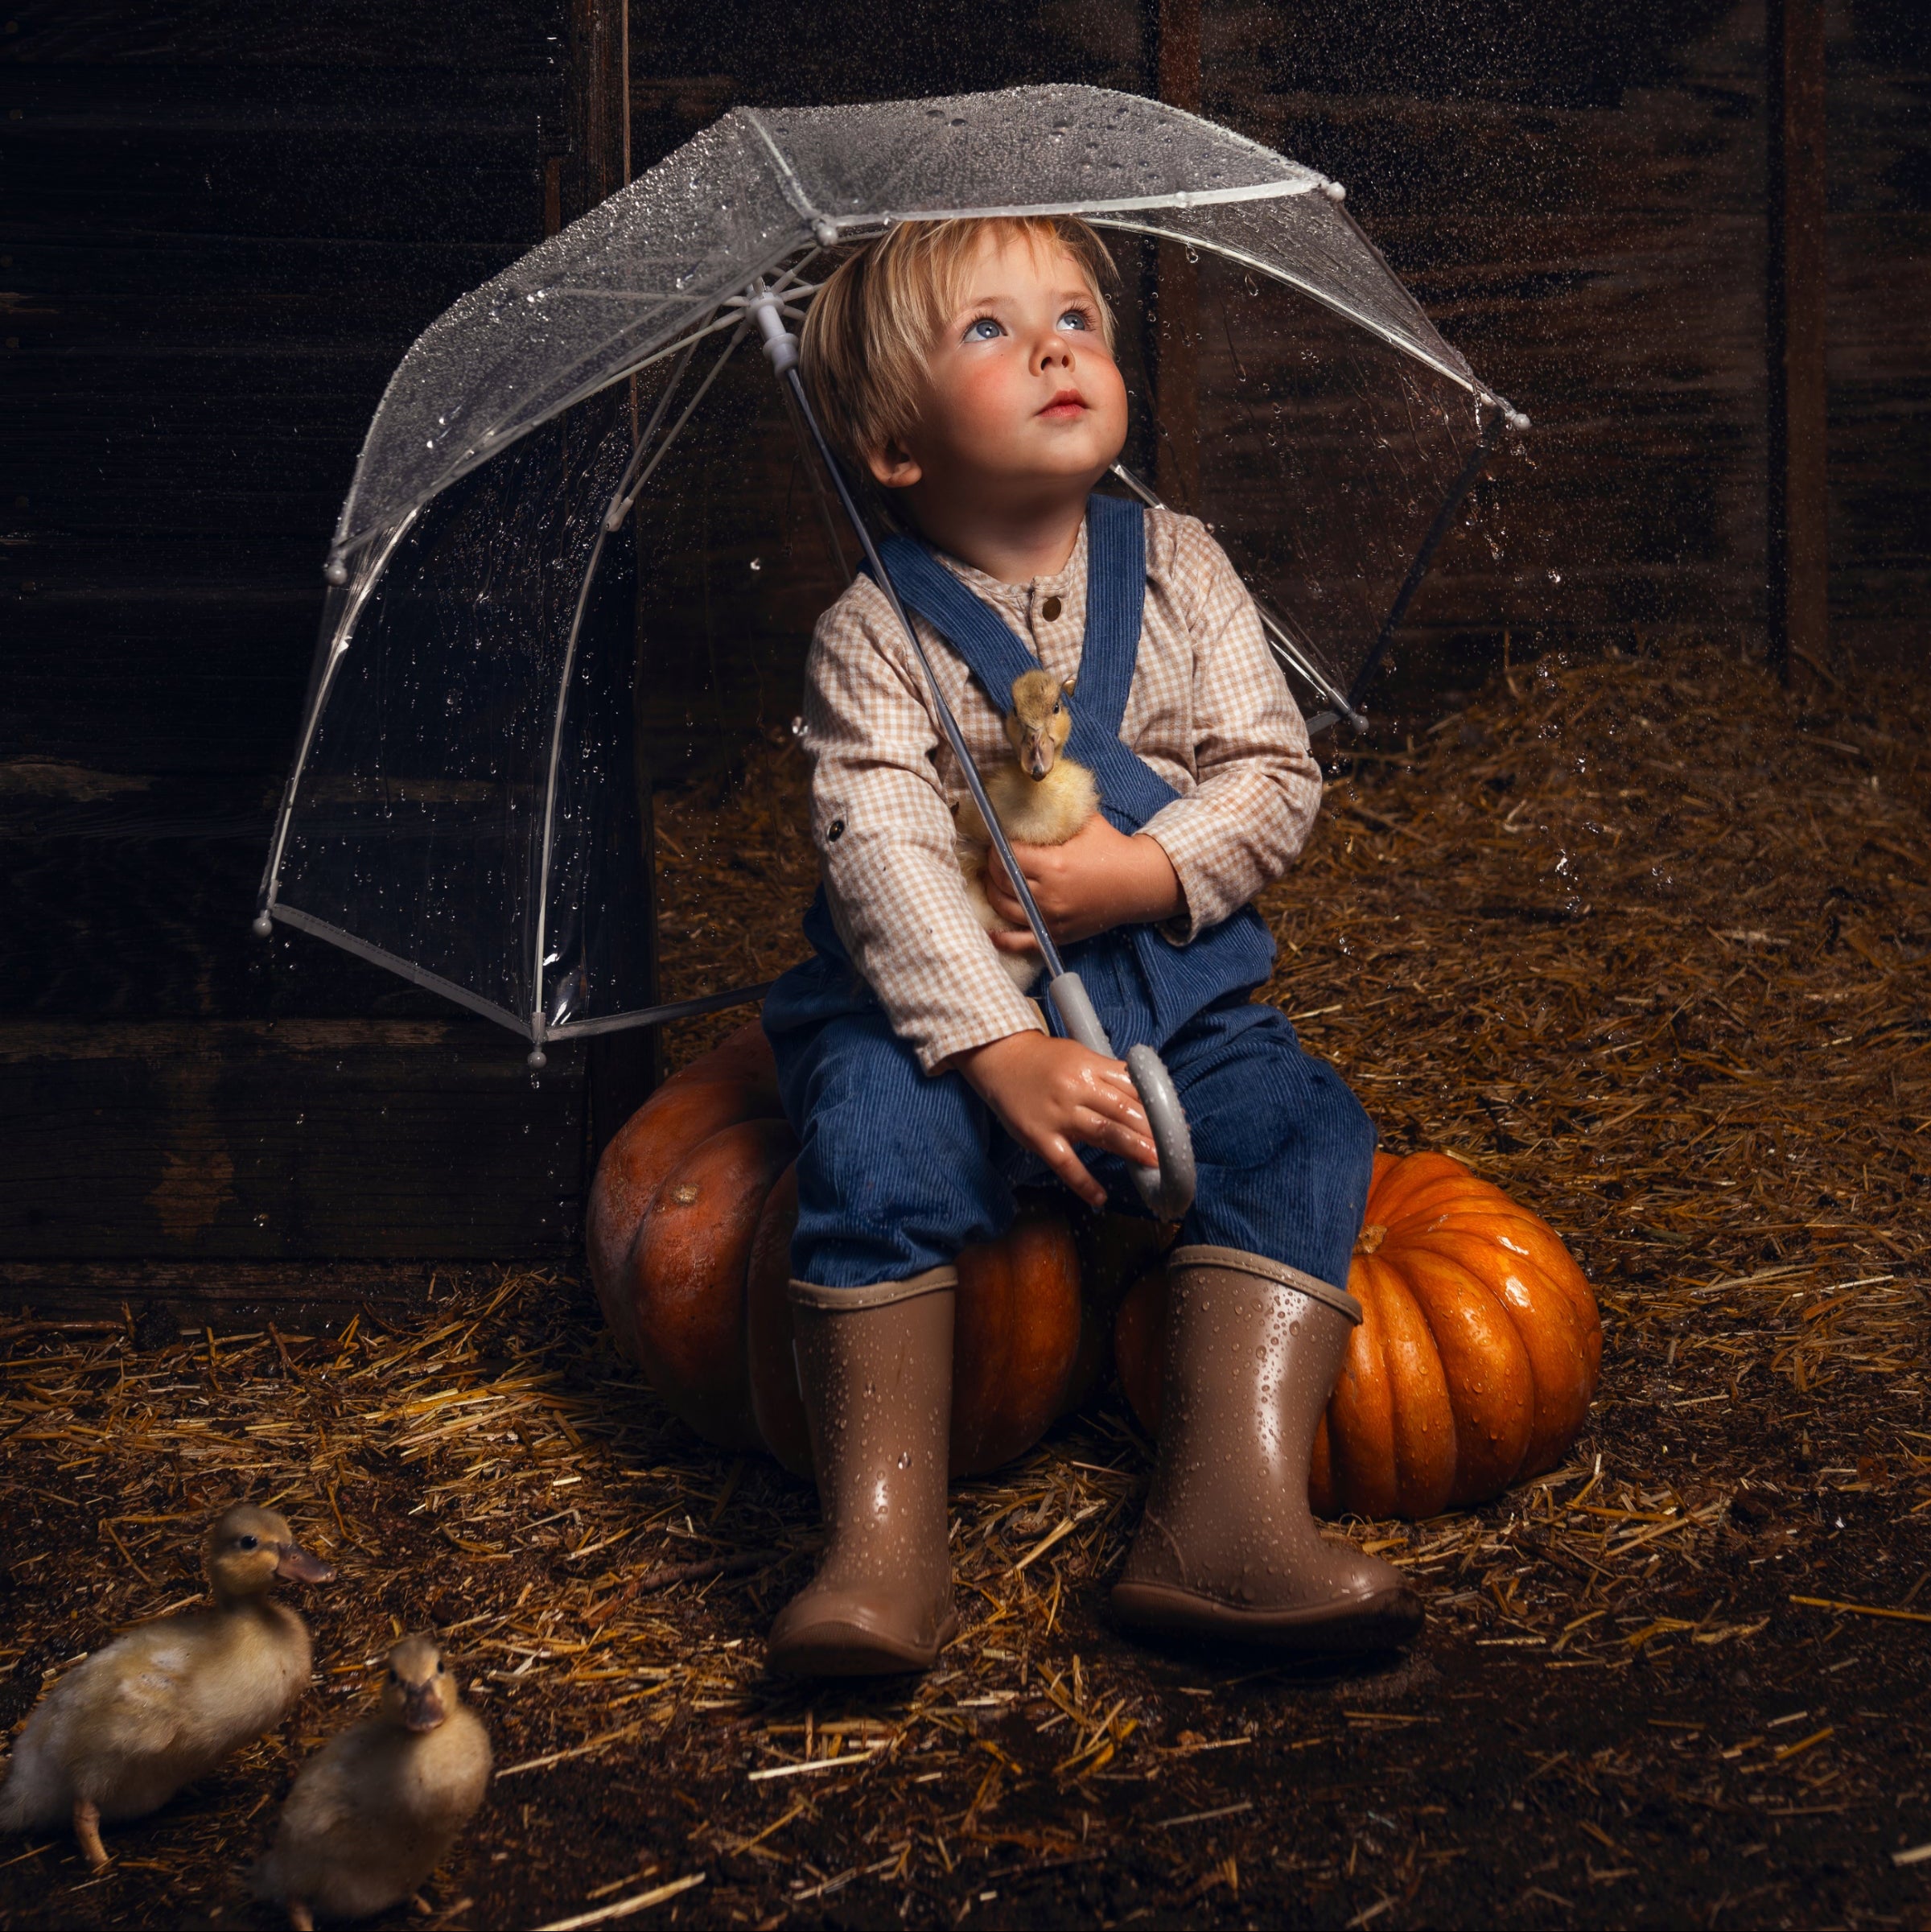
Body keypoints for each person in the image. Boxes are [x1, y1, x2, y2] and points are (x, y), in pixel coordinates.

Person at [760, 214, 1419, 1675]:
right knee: (871, 1139)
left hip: (1177, 1000)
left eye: (1076, 317)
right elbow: (875, 850)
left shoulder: (1180, 564)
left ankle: (1225, 1516)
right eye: (988, 330)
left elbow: (1271, 773)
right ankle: (880, 1550)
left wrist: (1141, 868)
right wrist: (996, 1049)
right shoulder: (874, 637)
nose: (1056, 343)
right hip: (946, 1018)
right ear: (891, 446)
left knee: (1303, 1128)